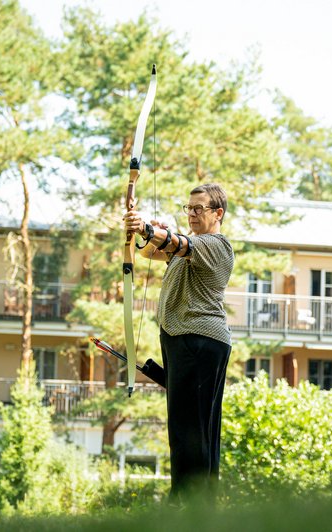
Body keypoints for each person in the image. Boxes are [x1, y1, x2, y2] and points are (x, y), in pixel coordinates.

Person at [124, 183, 234, 502]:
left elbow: (177, 243)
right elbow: (151, 250)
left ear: (218, 213)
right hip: (183, 341)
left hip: (200, 340)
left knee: (195, 429)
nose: (193, 214)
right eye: (189, 208)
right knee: (184, 428)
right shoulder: (190, 245)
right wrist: (144, 231)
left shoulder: (216, 245)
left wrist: (145, 226)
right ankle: (186, 500)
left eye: (199, 209)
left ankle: (195, 504)